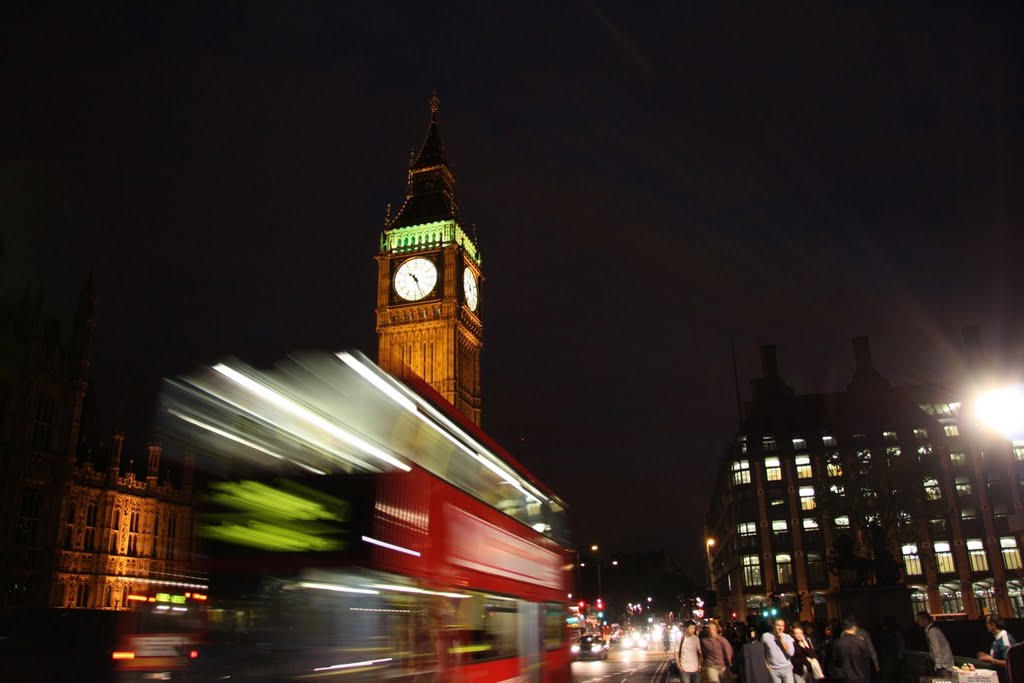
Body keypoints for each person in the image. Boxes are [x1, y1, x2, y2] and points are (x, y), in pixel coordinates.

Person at [830, 616, 874, 683]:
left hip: (844, 677)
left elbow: (834, 660)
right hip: (860, 676)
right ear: (854, 627)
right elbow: (868, 657)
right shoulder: (861, 642)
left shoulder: (837, 643)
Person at [915, 611, 955, 678]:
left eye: (919, 619)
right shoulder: (931, 630)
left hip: (943, 665)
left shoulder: (932, 631)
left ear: (925, 619)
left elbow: (936, 648)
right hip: (944, 663)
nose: (917, 622)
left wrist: (938, 665)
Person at [978, 614, 1017, 681]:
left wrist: (991, 660)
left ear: (993, 625)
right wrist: (988, 657)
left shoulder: (1005, 639)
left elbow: (1009, 662)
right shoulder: (998, 638)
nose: (986, 625)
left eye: (987, 623)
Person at [762, 618, 796, 683]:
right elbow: (762, 652)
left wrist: (782, 641)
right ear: (773, 625)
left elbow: (791, 653)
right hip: (773, 670)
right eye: (778, 625)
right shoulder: (765, 636)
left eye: (782, 626)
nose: (780, 628)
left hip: (787, 668)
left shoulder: (787, 637)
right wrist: (766, 665)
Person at [878, 615, 906, 683]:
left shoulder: (887, 631)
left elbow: (882, 642)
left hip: (889, 656)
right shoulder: (895, 630)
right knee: (894, 674)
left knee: (890, 675)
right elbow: (901, 643)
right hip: (892, 656)